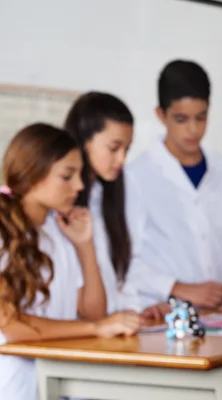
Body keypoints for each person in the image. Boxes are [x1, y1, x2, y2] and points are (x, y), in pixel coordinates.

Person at [0, 123, 140, 400]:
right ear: (33, 174)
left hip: (62, 376)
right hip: (16, 383)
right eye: (67, 176)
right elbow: (12, 325)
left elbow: (92, 311)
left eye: (79, 174)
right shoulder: (4, 231)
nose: (79, 185)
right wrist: (96, 329)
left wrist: (85, 246)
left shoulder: (58, 228)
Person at [126, 59, 222, 311]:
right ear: (160, 115)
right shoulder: (136, 176)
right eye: (181, 119)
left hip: (217, 311)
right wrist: (180, 289)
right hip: (162, 312)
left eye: (201, 117)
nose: (193, 129)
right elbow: (125, 262)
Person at [64, 91, 147, 315]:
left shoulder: (119, 190)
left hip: (112, 324)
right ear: (85, 141)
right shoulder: (61, 203)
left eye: (126, 149)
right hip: (77, 328)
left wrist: (131, 308)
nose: (121, 159)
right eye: (113, 148)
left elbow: (130, 261)